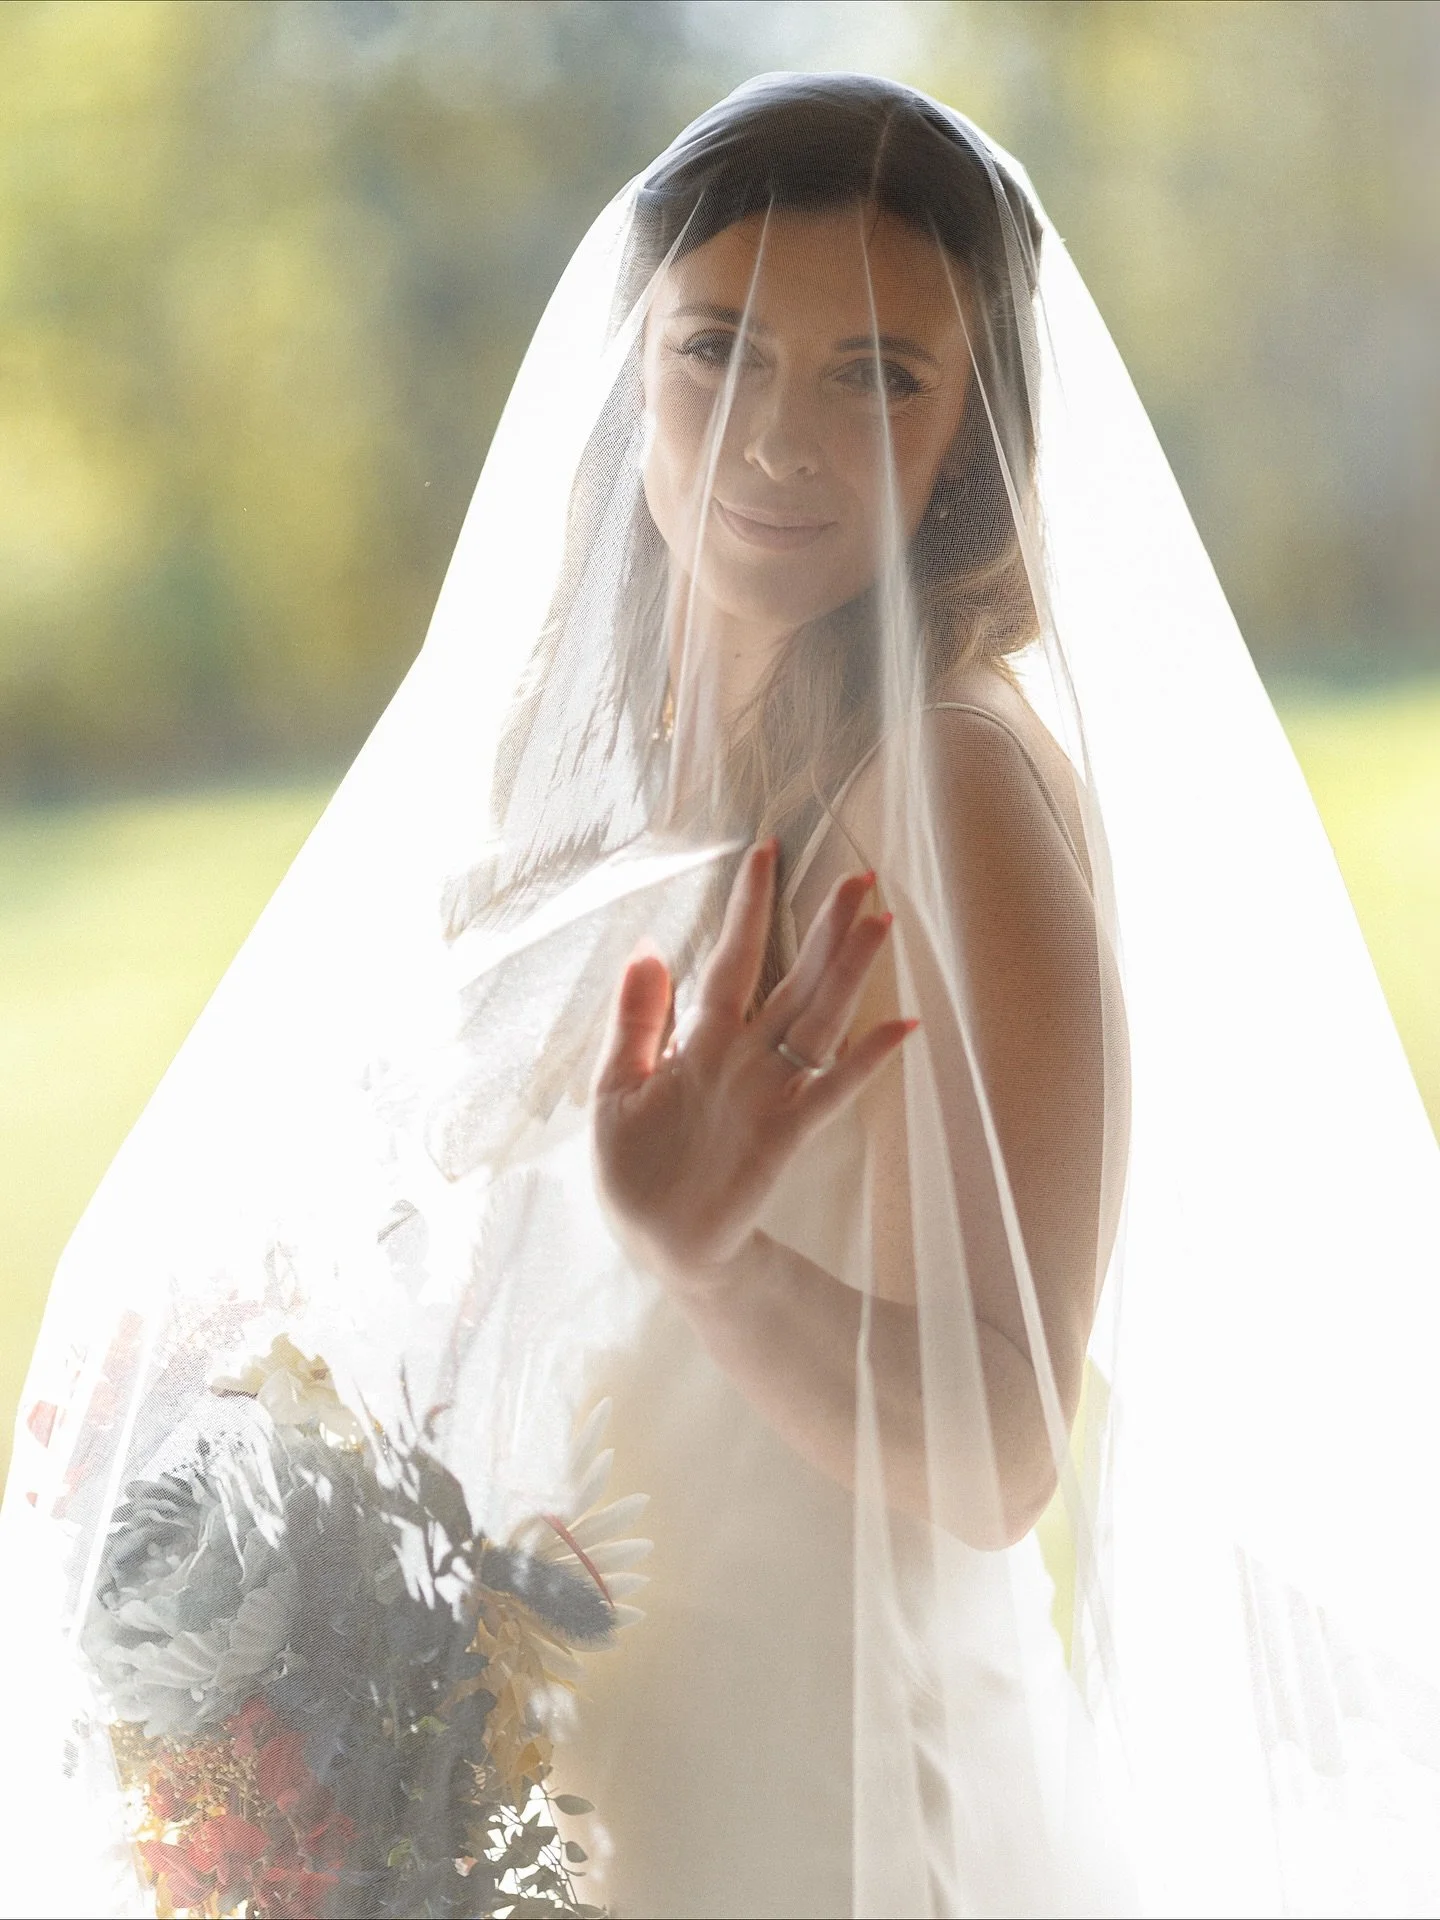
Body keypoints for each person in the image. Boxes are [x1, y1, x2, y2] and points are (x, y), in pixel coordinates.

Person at [4, 72, 1439, 1920]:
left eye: (879, 378)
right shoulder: (565, 775)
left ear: (966, 447)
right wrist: (226, 1384)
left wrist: (717, 1255)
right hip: (563, 1793)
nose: (779, 438)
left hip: (833, 1808)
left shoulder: (958, 784)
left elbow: (1005, 1446)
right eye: (722, 351)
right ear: (634, 368)